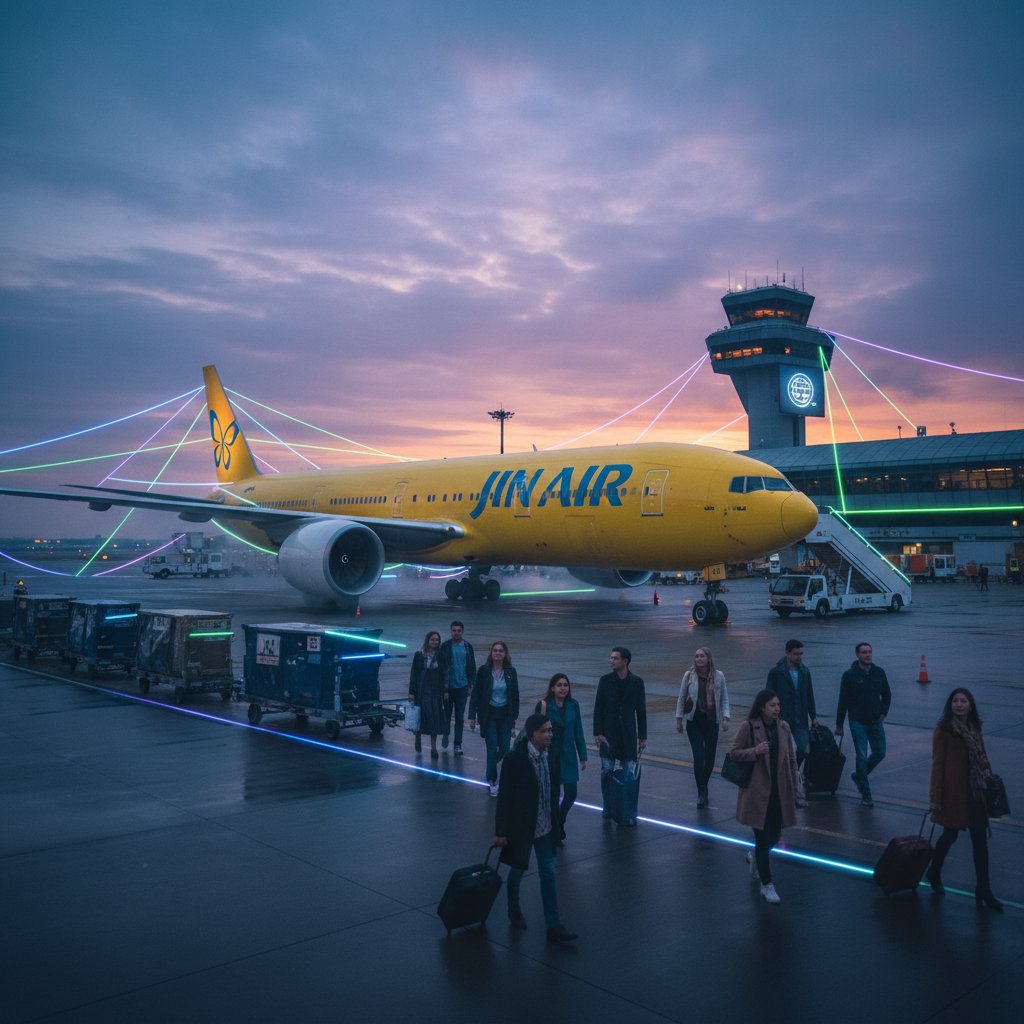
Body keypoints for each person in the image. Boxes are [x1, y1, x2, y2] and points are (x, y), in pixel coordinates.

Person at [493, 713, 578, 944]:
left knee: (548, 873)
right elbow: (504, 797)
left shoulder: (550, 755)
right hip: (522, 826)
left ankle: (553, 924)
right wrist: (500, 831)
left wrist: (556, 820)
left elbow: (553, 789)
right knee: (517, 870)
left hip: (545, 825)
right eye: (545, 731)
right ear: (533, 734)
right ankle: (513, 909)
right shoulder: (515, 760)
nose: (550, 735)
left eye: (550, 730)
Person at [927, 688, 1003, 910]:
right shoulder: (944, 730)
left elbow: (981, 754)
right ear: (950, 706)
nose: (959, 704)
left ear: (970, 706)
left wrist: (983, 762)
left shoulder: (974, 727)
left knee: (980, 842)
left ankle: (984, 889)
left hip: (976, 792)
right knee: (949, 836)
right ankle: (934, 871)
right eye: (955, 701)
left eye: (963, 701)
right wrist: (935, 798)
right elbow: (937, 765)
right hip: (953, 794)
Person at [730, 689, 799, 904]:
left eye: (778, 705)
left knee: (774, 836)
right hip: (757, 793)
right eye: (772, 705)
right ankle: (767, 884)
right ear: (762, 707)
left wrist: (796, 788)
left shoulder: (784, 727)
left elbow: (791, 759)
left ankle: (754, 858)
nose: (777, 709)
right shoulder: (749, 726)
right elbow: (734, 752)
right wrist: (755, 751)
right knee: (761, 838)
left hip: (779, 791)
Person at [593, 646, 647, 826]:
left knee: (628, 775)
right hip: (609, 734)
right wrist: (598, 732)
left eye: (615, 658)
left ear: (625, 661)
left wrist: (643, 736)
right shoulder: (605, 681)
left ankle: (628, 809)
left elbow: (641, 711)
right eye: (611, 658)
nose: (611, 661)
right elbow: (598, 707)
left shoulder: (637, 682)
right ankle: (608, 805)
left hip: (629, 735)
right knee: (606, 772)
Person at [835, 642, 891, 807]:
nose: (868, 655)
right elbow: (843, 701)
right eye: (864, 652)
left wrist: (883, 712)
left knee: (880, 753)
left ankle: (859, 775)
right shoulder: (849, 675)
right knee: (861, 755)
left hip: (875, 721)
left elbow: (887, 694)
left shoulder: (879, 672)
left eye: (869, 652)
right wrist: (839, 725)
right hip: (857, 721)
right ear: (857, 655)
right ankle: (866, 793)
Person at [675, 647, 730, 808]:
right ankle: (702, 791)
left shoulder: (719, 676)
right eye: (697, 656)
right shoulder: (689, 675)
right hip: (694, 721)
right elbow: (681, 697)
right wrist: (679, 719)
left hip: (712, 721)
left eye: (702, 656)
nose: (699, 659)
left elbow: (724, 698)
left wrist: (726, 717)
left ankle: (703, 785)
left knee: (710, 759)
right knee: (699, 757)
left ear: (709, 659)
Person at [536, 673, 588, 843]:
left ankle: (559, 820)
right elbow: (535, 731)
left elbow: (578, 730)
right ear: (552, 688)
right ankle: (556, 832)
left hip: (568, 754)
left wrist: (583, 756)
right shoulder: (544, 705)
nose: (563, 688)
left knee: (571, 793)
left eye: (565, 685)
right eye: (559, 685)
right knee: (554, 795)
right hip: (550, 755)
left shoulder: (574, 705)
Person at [468, 641, 520, 797]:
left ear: (505, 654)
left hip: (505, 715)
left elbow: (515, 695)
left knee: (504, 748)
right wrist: (472, 716)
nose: (498, 653)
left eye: (501, 651)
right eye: (495, 650)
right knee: (491, 748)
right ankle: (492, 779)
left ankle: (491, 766)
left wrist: (514, 717)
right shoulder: (484, 671)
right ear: (491, 653)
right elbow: (476, 694)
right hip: (489, 715)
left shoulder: (511, 672)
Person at [765, 639, 818, 767]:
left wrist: (813, 717)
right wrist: (769, 718)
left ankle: (793, 773)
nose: (799, 657)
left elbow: (809, 695)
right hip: (782, 719)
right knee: (783, 752)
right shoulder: (776, 672)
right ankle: (787, 775)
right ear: (787, 653)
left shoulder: (805, 672)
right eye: (796, 654)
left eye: (801, 654)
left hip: (801, 720)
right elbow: (768, 697)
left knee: (802, 751)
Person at [439, 620, 476, 755]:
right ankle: (446, 733)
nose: (456, 633)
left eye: (459, 631)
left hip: (462, 687)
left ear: (462, 632)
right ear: (451, 631)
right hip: (449, 688)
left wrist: (471, 685)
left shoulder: (467, 647)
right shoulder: (445, 646)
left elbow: (472, 667)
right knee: (447, 716)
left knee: (460, 717)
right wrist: (444, 689)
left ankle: (457, 744)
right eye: (454, 630)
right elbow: (442, 668)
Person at [408, 630, 446, 759]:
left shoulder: (441, 655)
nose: (435, 642)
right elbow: (414, 674)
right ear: (427, 640)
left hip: (435, 692)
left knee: (435, 719)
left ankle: (433, 747)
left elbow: (444, 674)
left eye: (437, 640)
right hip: (422, 692)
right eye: (432, 639)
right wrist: (411, 692)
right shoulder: (419, 655)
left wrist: (445, 691)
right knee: (422, 717)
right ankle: (418, 738)